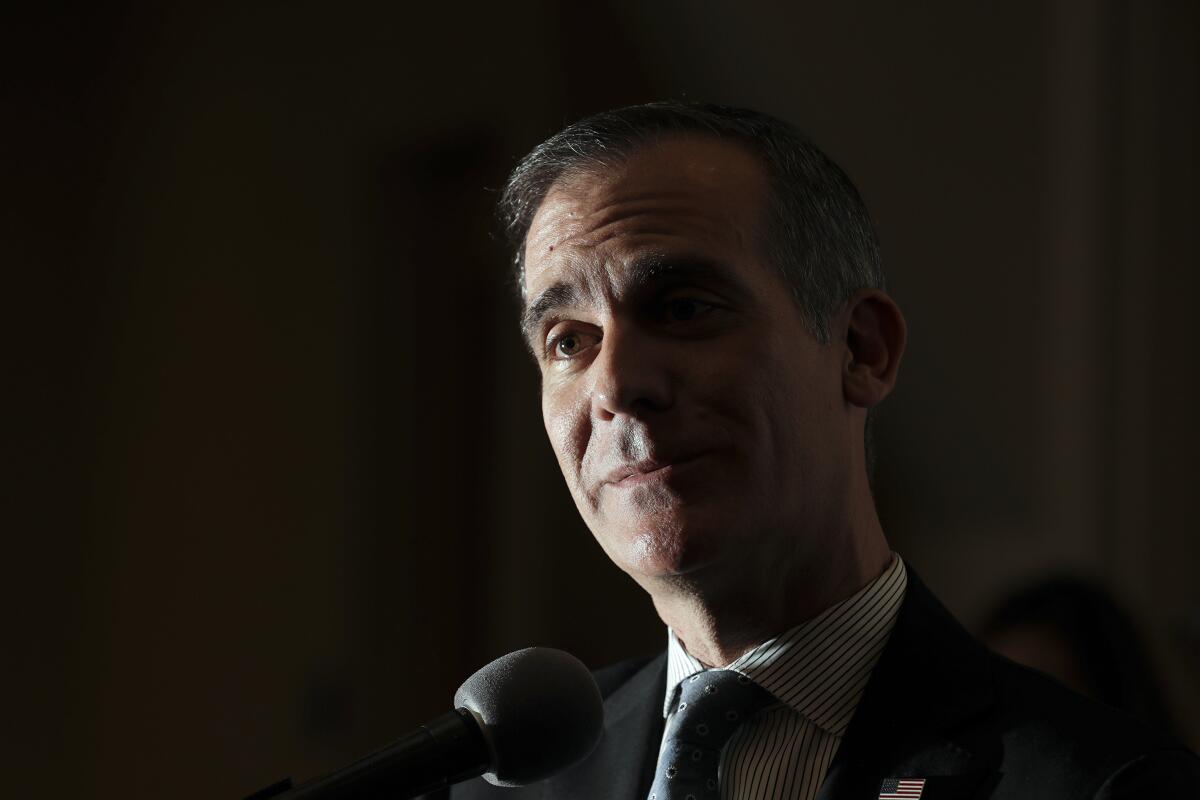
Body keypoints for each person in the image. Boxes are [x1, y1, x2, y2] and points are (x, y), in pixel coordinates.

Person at [438, 102, 1200, 799]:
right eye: (568, 340)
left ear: (862, 350)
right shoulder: (495, 787)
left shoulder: (1102, 786)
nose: (616, 384)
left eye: (683, 308)